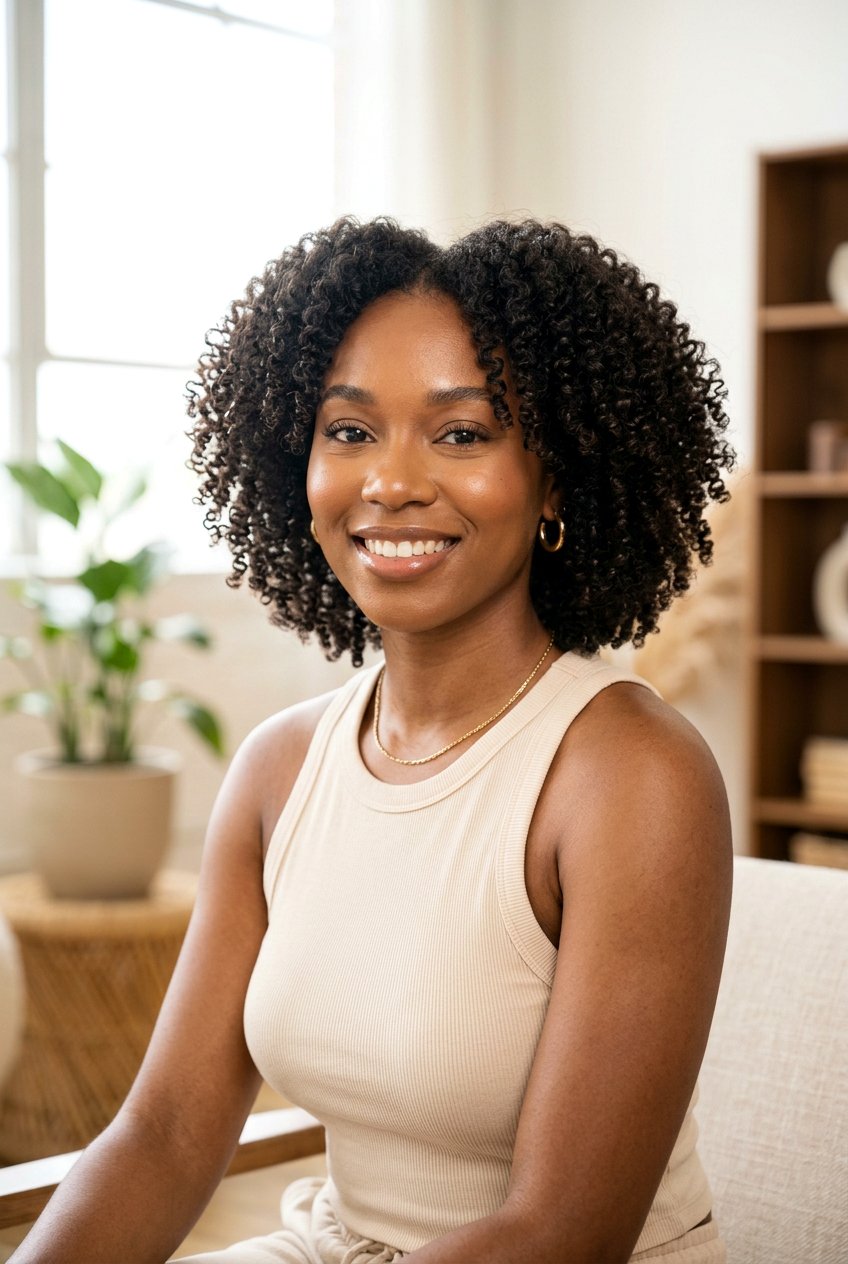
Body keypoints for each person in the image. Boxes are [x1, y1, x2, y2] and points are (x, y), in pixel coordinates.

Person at [12, 217, 735, 1263]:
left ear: (556, 480)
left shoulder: (629, 776)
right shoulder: (277, 769)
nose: (389, 481)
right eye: (349, 430)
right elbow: (166, 1135)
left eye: (461, 432)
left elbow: (561, 1232)